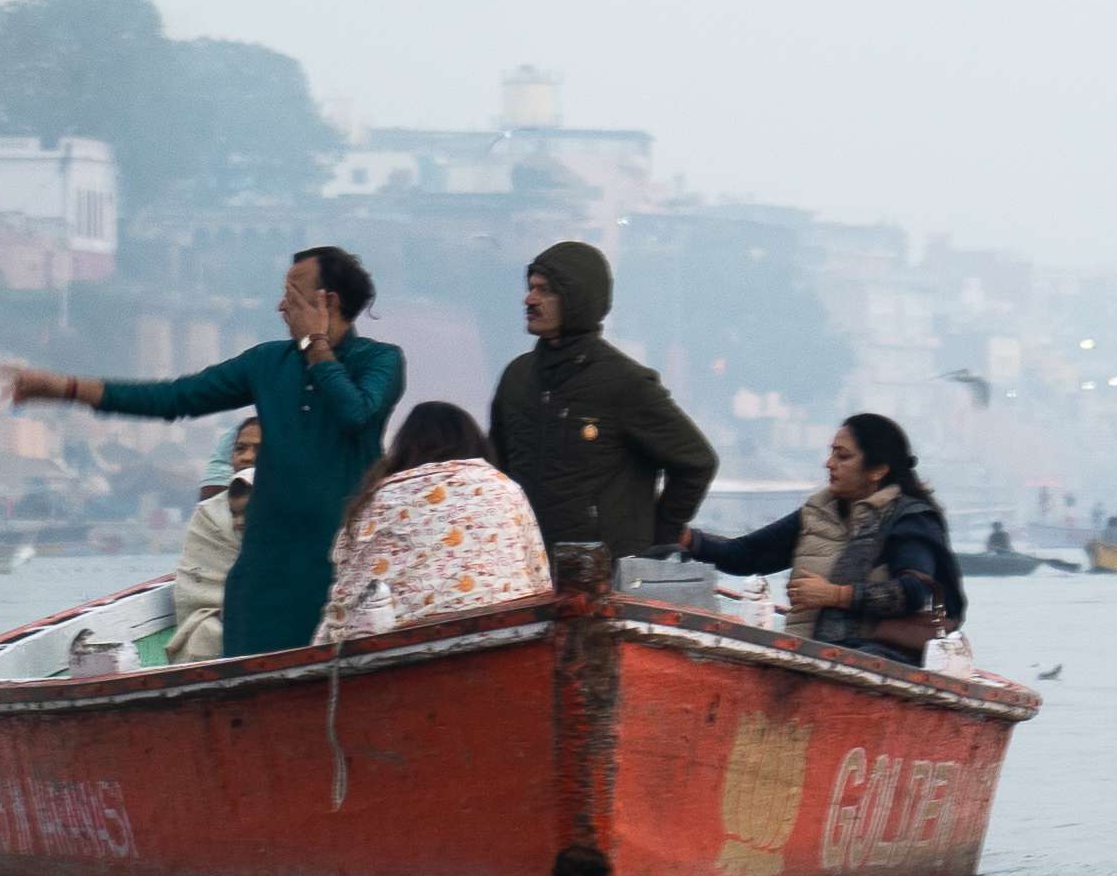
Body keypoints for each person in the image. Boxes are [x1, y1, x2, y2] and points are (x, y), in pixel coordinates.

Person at [8, 244, 399, 657]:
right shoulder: (267, 363)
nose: (281, 306)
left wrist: (317, 346)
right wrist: (65, 389)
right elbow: (175, 397)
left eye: (292, 294)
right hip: (263, 582)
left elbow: (356, 413)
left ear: (328, 302)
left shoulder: (381, 361)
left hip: (343, 573)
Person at [486, 240, 715, 563]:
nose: (530, 299)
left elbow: (696, 461)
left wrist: (658, 538)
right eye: (531, 288)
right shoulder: (517, 378)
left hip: (605, 578)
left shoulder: (625, 383)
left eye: (545, 291)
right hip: (526, 566)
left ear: (577, 298)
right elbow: (497, 468)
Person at [688, 409, 964, 663]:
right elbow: (747, 555)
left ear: (878, 470)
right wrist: (687, 540)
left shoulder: (910, 519)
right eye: (832, 454)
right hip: (805, 656)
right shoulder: (818, 511)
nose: (829, 464)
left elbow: (914, 591)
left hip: (873, 667)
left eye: (842, 456)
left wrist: (835, 595)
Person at [318, 400, 554, 645]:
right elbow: (540, 583)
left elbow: (348, 599)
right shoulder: (504, 489)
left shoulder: (376, 501)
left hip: (400, 655)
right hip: (510, 640)